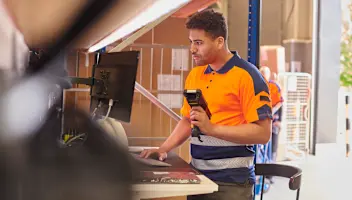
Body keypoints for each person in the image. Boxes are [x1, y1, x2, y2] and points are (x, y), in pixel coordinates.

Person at [140, 9, 272, 200]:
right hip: (198, 178)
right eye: (191, 42)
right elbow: (188, 119)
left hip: (231, 183)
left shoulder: (248, 76)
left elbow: (263, 133)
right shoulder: (196, 75)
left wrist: (213, 128)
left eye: (199, 43)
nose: (192, 49)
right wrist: (164, 148)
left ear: (219, 41)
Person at [259, 66, 284, 163]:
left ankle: (271, 172)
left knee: (273, 147)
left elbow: (281, 102)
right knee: (262, 148)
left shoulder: (274, 87)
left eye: (264, 75)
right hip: (262, 122)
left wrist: (279, 119)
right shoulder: (256, 86)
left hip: (274, 121)